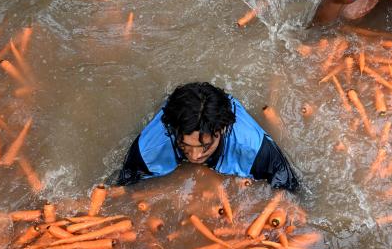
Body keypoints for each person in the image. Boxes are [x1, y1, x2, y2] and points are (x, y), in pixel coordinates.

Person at [115, 82, 299, 191]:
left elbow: (287, 189)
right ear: (172, 131)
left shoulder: (253, 147)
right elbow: (124, 189)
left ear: (223, 130)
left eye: (205, 146)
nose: (194, 156)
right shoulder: (147, 150)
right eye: (184, 145)